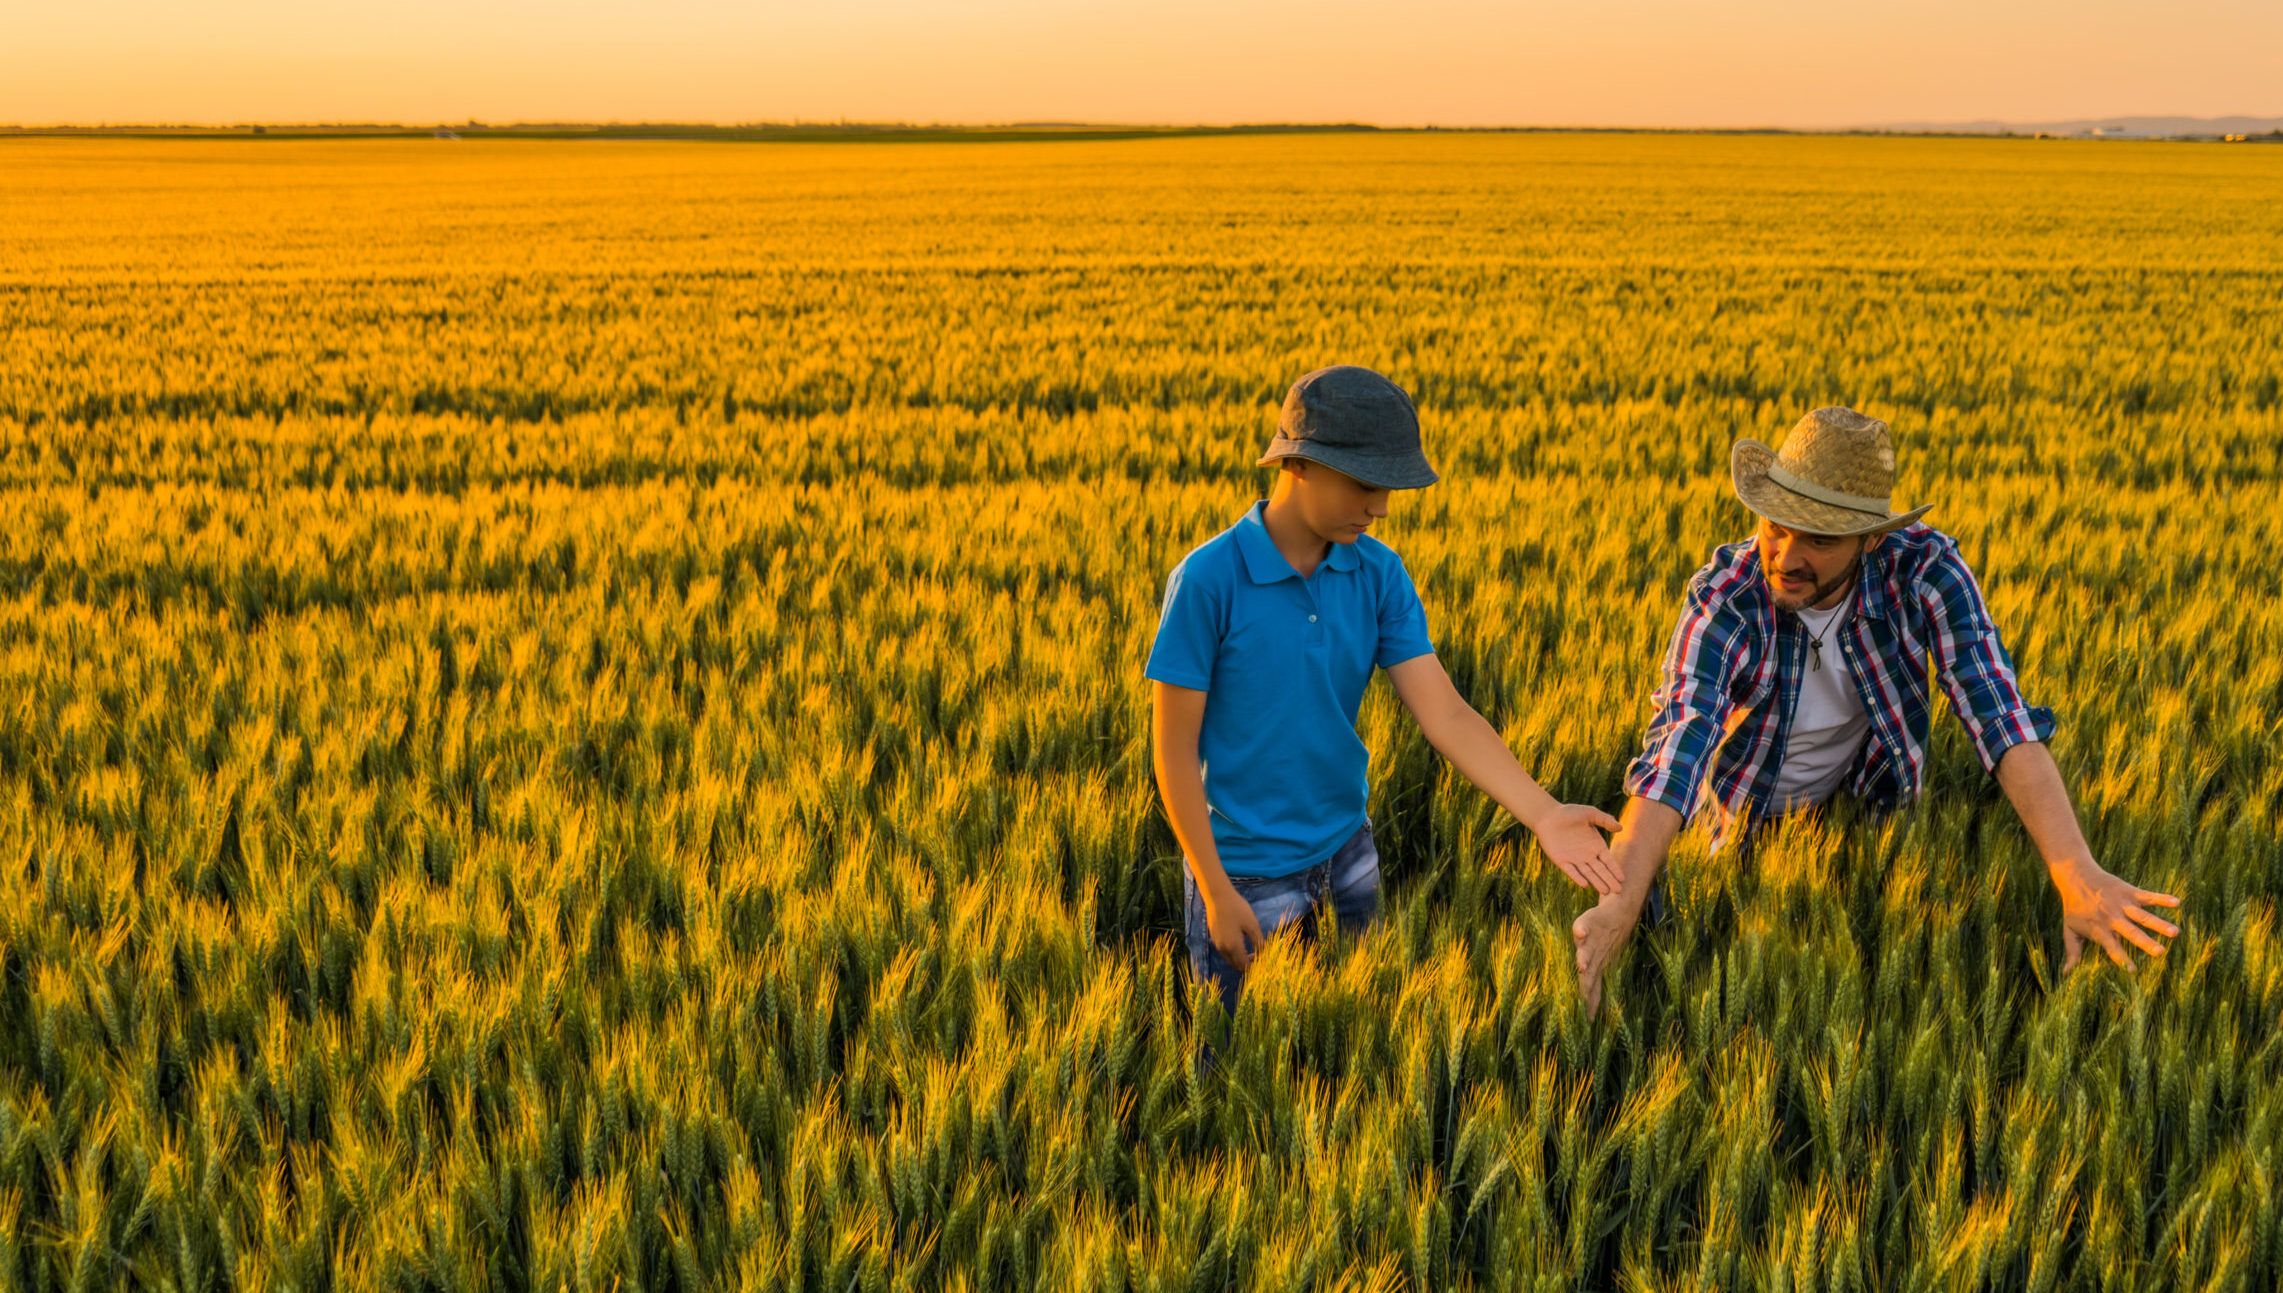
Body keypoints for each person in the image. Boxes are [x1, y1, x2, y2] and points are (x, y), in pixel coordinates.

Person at [1572, 406, 2183, 1014]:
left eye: (1819, 537)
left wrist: (2073, 869)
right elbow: (1679, 746)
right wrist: (1625, 899)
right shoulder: (1728, 597)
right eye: (1775, 526)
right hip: (1730, 822)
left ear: (1872, 538)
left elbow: (1998, 716)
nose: (1785, 557)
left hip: (1865, 810)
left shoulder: (1924, 572)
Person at [1147, 364, 1619, 1020]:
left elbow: (1445, 712)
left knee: (1351, 1038)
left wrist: (1542, 814)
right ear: (1302, 465)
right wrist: (1213, 885)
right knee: (1231, 1056)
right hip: (1242, 870)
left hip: (1347, 852)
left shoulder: (1377, 572)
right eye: (1366, 485)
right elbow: (1172, 751)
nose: (1382, 507)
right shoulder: (1209, 580)